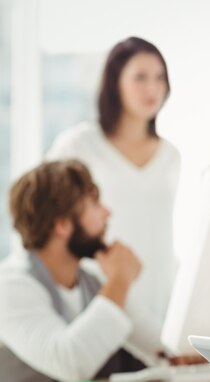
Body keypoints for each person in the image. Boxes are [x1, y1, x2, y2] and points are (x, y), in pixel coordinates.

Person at [47, 37, 180, 322]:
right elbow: (47, 222)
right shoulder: (78, 146)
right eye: (140, 77)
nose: (152, 88)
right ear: (115, 83)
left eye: (160, 77)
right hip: (99, 299)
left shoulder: (171, 156)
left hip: (159, 301)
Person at [0, 160, 161, 382]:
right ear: (63, 225)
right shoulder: (9, 286)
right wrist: (120, 280)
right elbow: (71, 364)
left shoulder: (93, 283)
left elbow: (161, 347)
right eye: (94, 204)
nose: (107, 212)